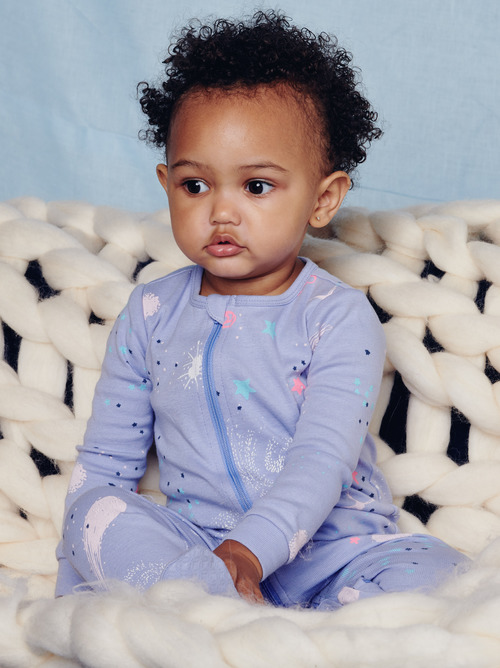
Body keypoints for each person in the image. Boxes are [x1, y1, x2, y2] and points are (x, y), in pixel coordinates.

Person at [56, 10, 468, 608]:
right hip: (199, 550)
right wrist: (74, 594)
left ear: (322, 199)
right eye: (195, 186)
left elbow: (321, 460)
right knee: (93, 511)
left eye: (256, 186)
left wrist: (249, 552)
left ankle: (239, 616)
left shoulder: (335, 317)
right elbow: (106, 462)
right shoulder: (150, 313)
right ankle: (210, 606)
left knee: (436, 574)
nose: (221, 212)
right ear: (166, 183)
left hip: (333, 555)